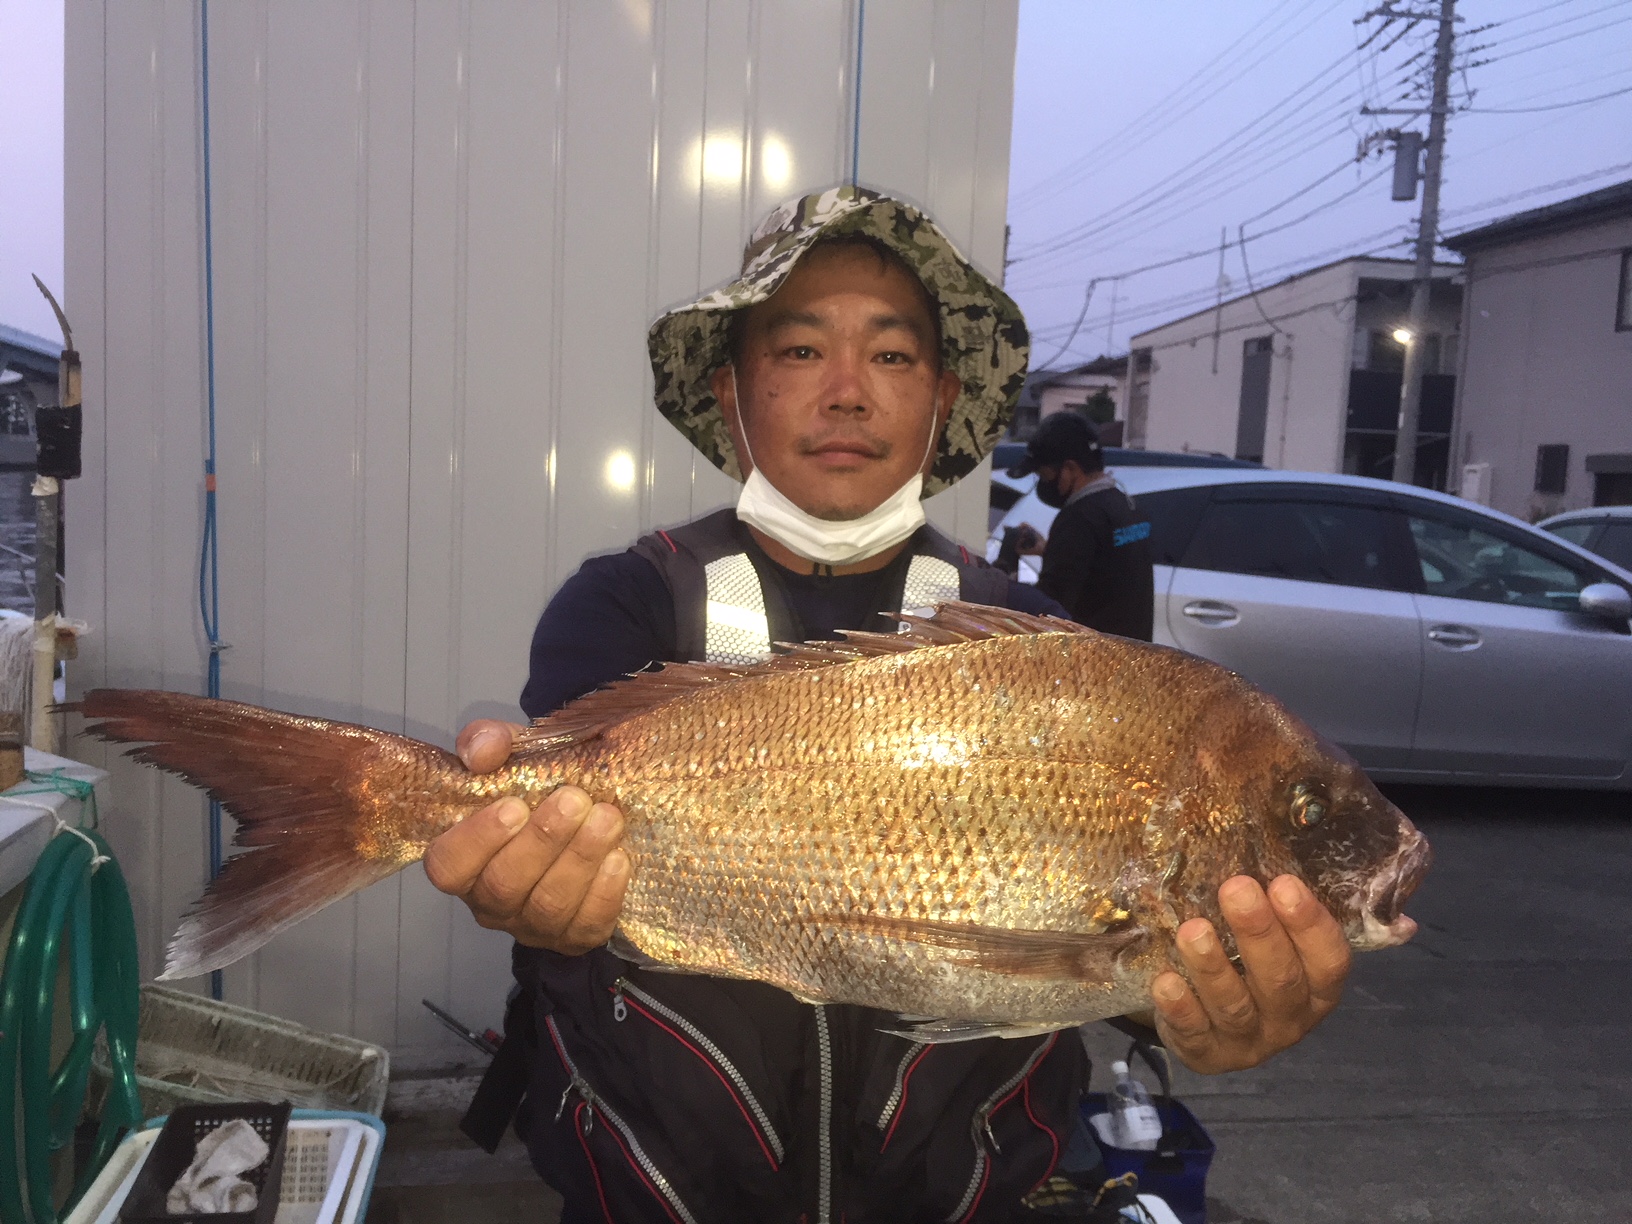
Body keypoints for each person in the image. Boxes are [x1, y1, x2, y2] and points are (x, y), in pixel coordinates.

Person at [421, 186, 1353, 1222]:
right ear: (731, 393)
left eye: (894, 355)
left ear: (944, 398)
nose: (850, 392)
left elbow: (1102, 953)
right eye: (802, 351)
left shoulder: (1039, 645)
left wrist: (1193, 1008)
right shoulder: (624, 604)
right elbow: (562, 881)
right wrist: (533, 892)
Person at [1007, 412, 1155, 641]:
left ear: (1070, 468)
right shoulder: (1127, 505)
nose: (1042, 483)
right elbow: (1107, 571)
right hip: (1133, 652)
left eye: (1043, 474)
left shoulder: (1079, 518)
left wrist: (1005, 574)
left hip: (1095, 660)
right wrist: (1049, 550)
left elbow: (1049, 608)